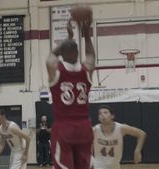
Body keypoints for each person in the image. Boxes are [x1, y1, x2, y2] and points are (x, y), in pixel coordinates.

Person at [46, 7, 96, 169]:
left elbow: (50, 58)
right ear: (76, 53)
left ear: (62, 53)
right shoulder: (86, 70)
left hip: (64, 127)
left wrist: (68, 38)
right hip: (84, 127)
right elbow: (90, 57)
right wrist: (86, 34)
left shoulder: (56, 70)